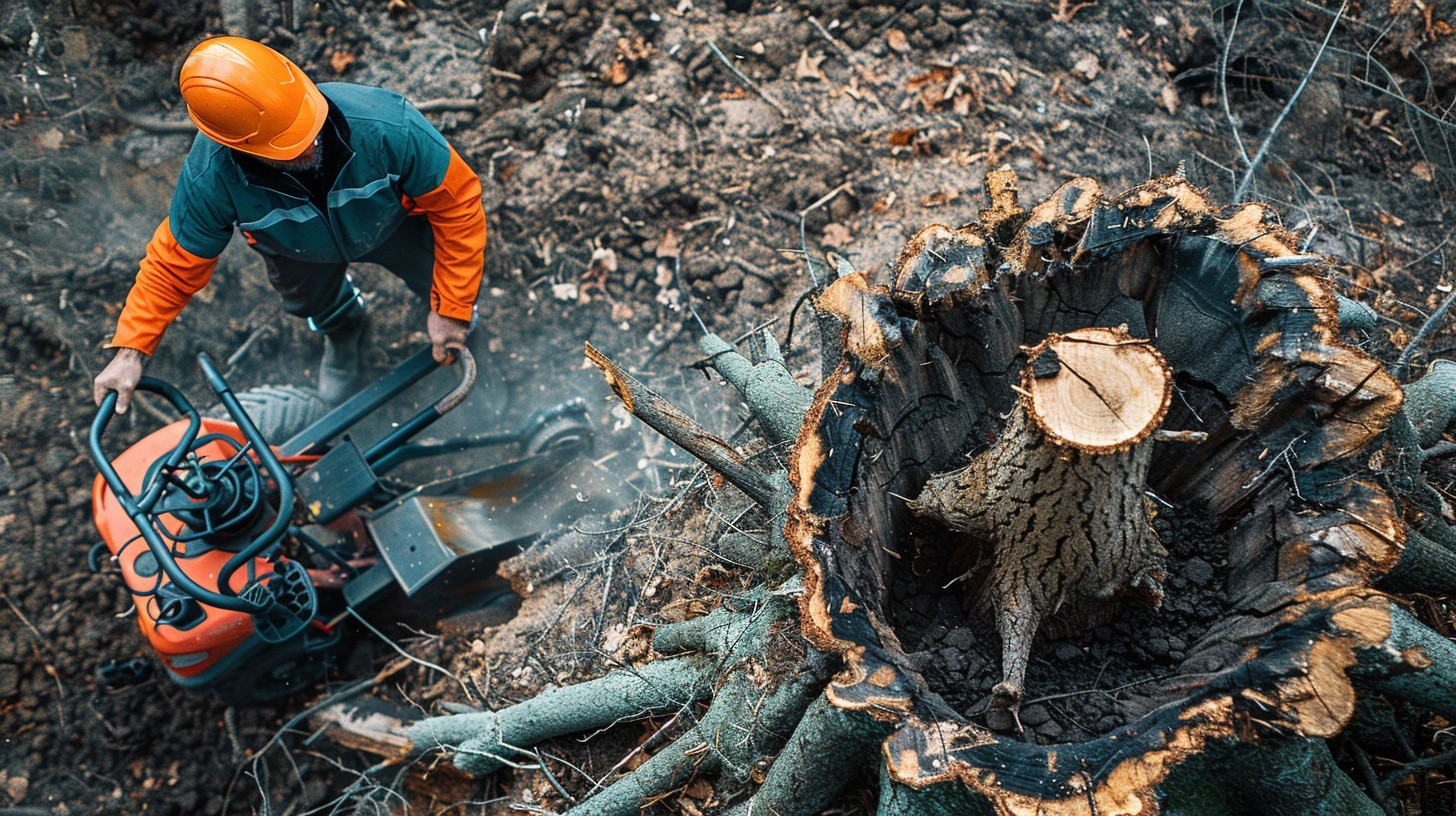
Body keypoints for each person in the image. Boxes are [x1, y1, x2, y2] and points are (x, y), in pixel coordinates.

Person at [92, 36, 486, 411]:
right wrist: (132, 350)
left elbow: (458, 206)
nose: (312, 142)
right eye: (291, 142)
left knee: (449, 287)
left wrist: (452, 307)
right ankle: (345, 331)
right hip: (293, 247)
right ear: (241, 146)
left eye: (307, 123)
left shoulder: (388, 125)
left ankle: (469, 339)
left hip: (394, 222)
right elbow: (172, 265)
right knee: (311, 302)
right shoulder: (212, 176)